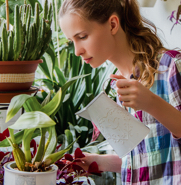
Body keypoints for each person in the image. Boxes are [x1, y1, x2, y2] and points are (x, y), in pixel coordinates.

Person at [59, 0, 181, 184]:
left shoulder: (170, 66)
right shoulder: (115, 85)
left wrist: (150, 102)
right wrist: (99, 162)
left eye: (82, 36)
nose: (77, 51)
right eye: (72, 41)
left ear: (113, 24)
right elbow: (146, 158)